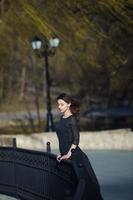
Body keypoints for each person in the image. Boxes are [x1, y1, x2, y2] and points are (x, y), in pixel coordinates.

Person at [55, 93, 104, 200]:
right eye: (58, 104)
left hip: (75, 156)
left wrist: (69, 153)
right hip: (66, 155)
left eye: (62, 104)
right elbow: (64, 138)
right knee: (72, 184)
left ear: (68, 104)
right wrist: (62, 154)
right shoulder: (62, 118)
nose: (59, 107)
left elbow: (76, 139)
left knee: (83, 185)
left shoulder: (72, 119)